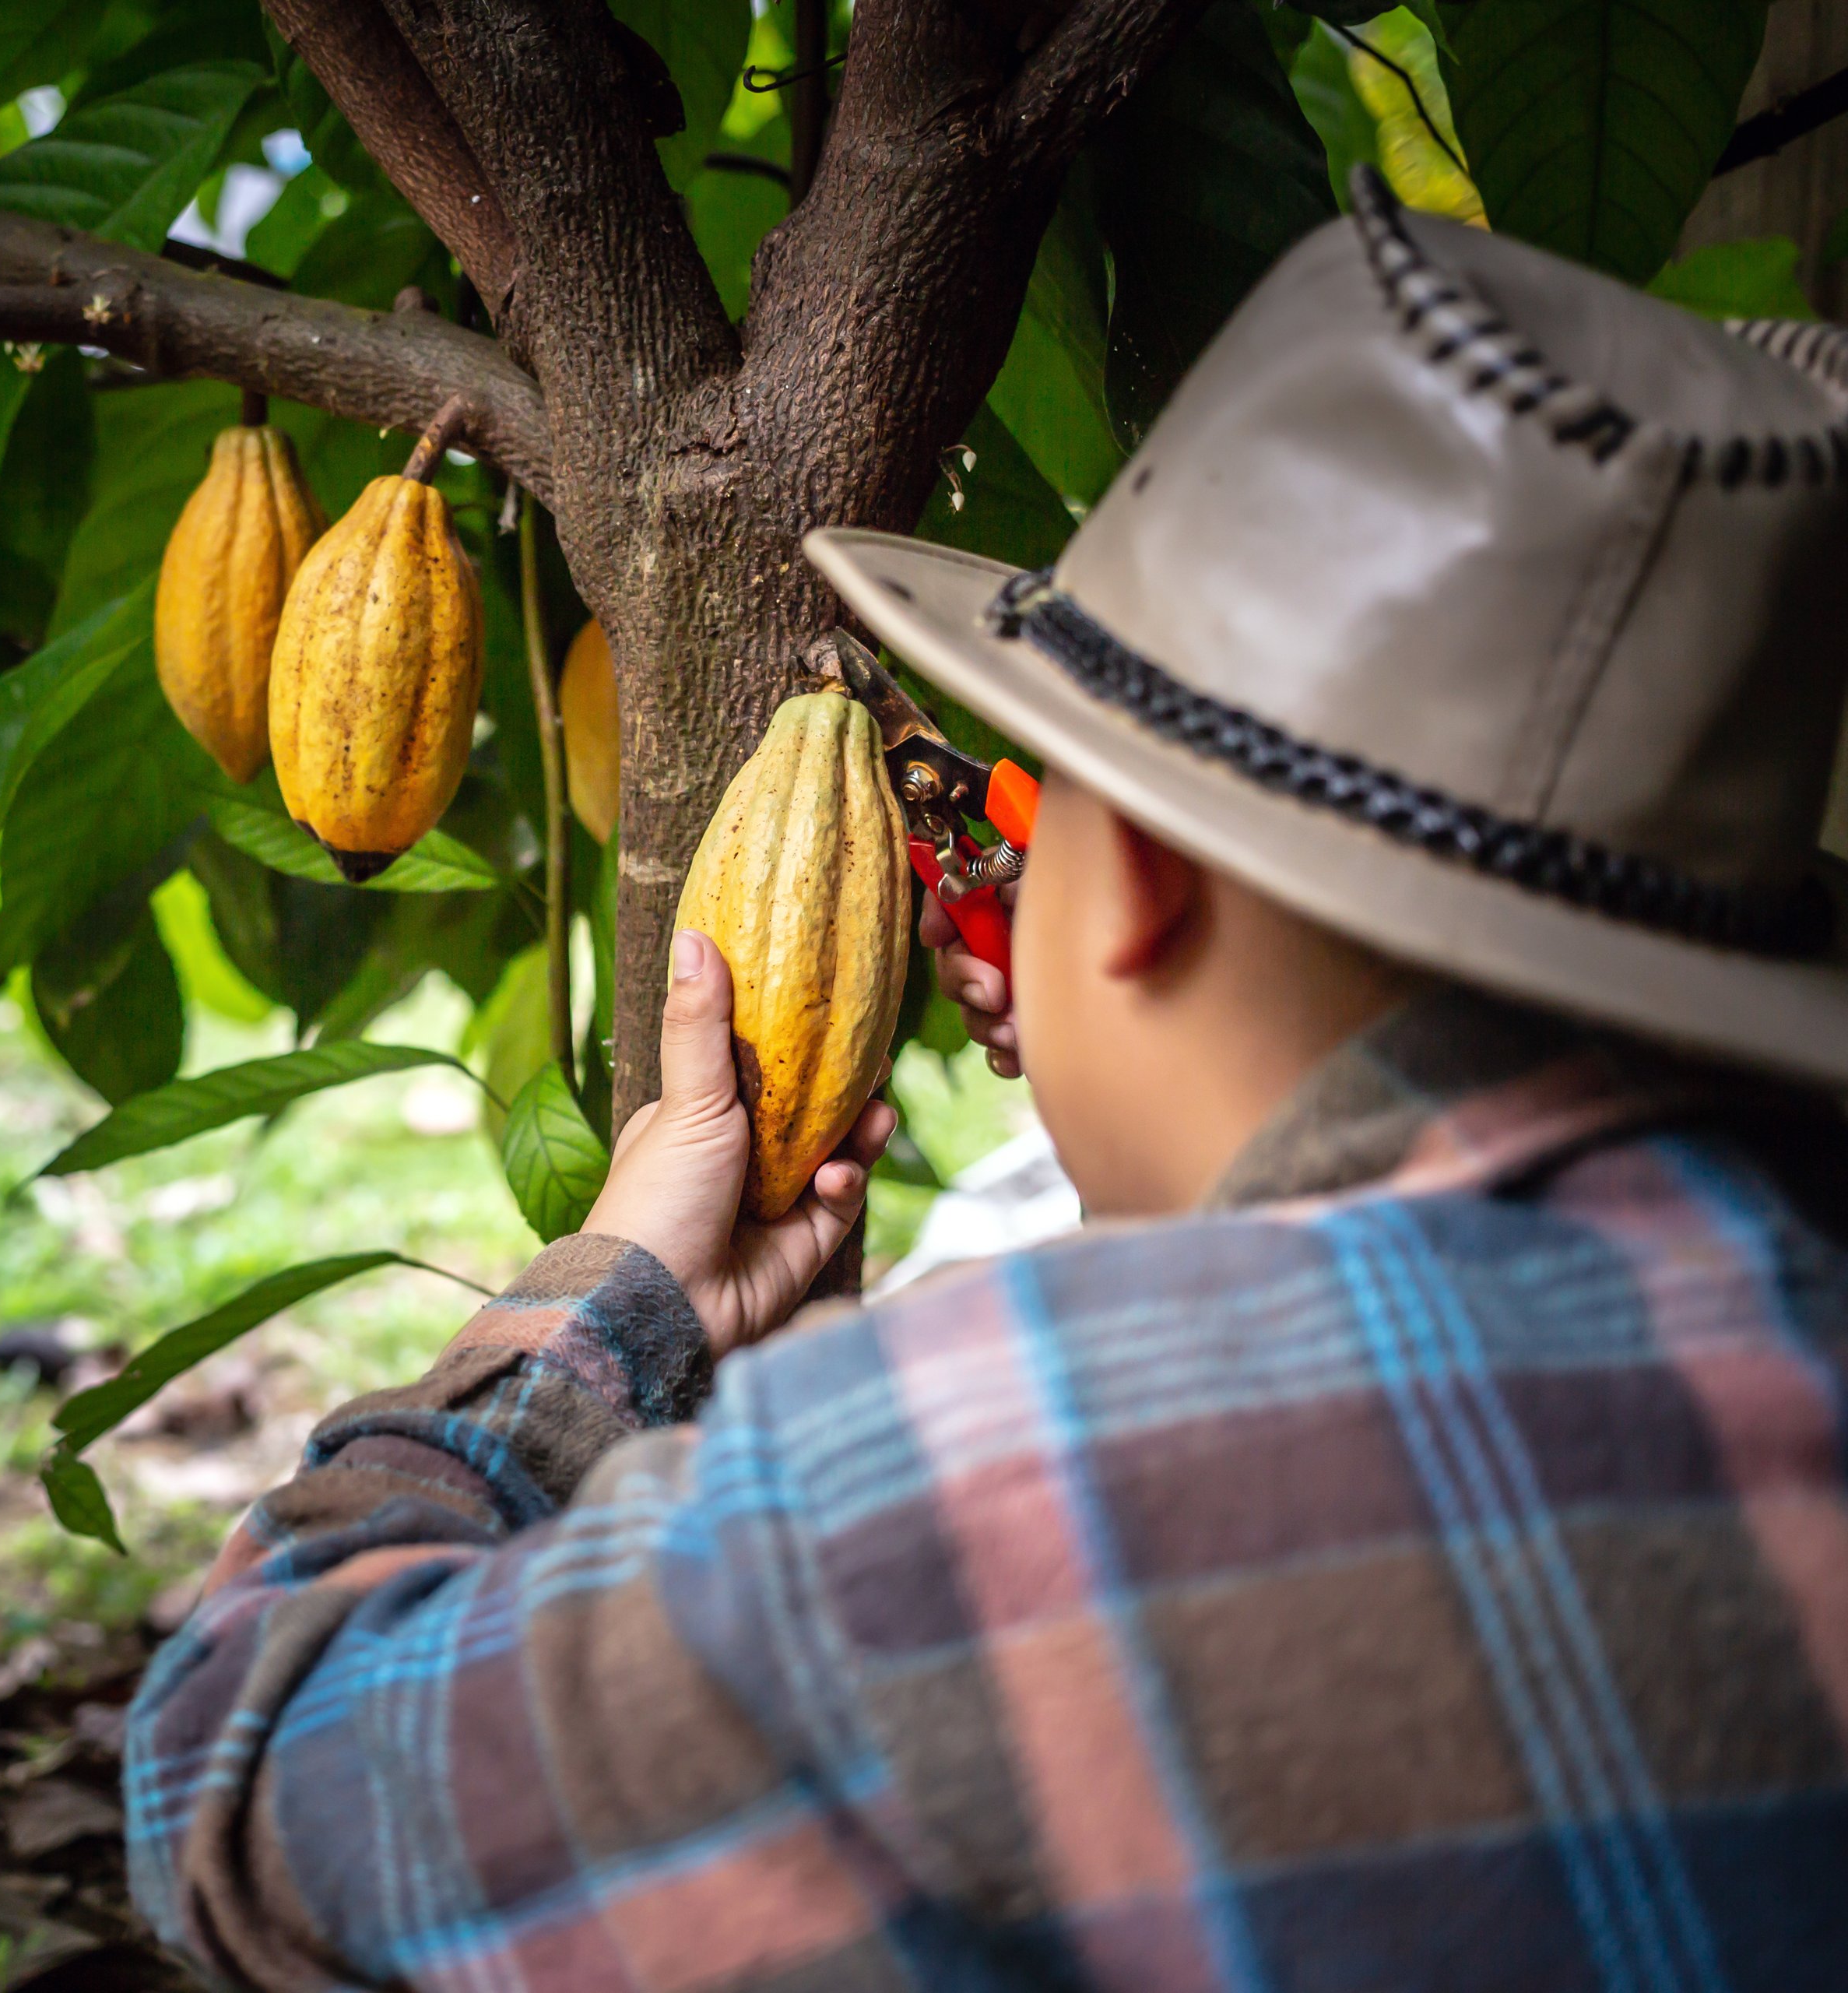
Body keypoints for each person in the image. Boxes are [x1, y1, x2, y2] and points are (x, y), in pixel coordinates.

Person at [123, 170, 1848, 1992]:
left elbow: (242, 1775)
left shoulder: (979, 1466)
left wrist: (610, 1305)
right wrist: (1186, 1119)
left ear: (1147, 890)